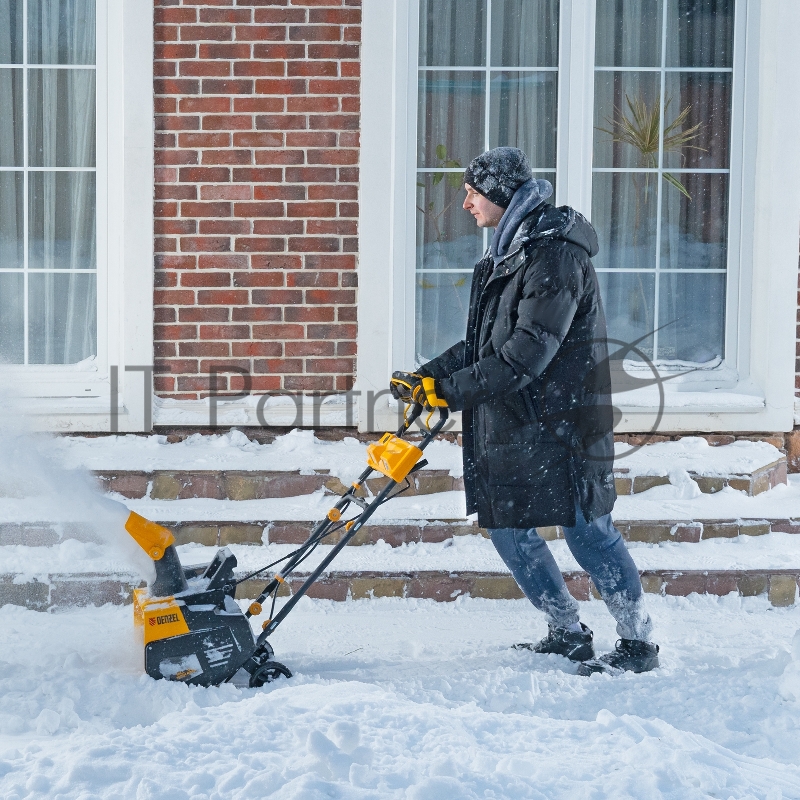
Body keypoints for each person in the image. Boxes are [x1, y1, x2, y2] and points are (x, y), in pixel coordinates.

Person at [390, 147, 659, 675]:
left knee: (589, 531)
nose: (465, 202)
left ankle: (636, 644)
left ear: (499, 194)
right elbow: (483, 345)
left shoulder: (555, 256)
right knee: (508, 528)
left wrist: (449, 392)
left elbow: (525, 354)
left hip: (565, 423)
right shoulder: (507, 251)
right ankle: (565, 630)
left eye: (472, 191)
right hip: (517, 425)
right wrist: (428, 377)